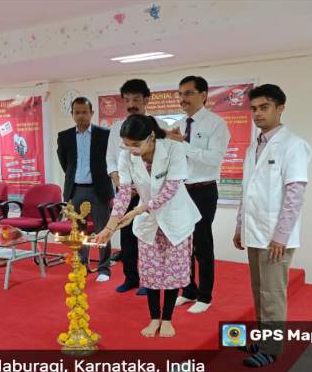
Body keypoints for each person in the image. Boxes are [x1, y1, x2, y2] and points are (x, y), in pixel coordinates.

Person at [95, 115, 201, 338]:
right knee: (151, 272)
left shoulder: (173, 148)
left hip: (175, 218)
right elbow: (124, 192)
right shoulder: (126, 156)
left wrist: (137, 211)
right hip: (148, 222)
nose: (131, 150)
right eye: (126, 144)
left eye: (135, 144)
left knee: (172, 273)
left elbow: (170, 190)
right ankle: (154, 319)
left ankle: (167, 319)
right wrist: (110, 227)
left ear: (151, 137)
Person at [233, 84, 312, 367]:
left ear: (280, 109)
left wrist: (281, 236)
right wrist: (240, 225)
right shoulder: (253, 147)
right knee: (259, 289)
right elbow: (247, 191)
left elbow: (295, 195)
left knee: (273, 293)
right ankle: (264, 339)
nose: (257, 113)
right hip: (254, 231)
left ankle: (271, 350)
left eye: (264, 107)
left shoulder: (294, 145)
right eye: (254, 108)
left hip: (276, 237)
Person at [166, 76, 231, 313]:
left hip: (203, 189)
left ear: (203, 95)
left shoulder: (216, 124)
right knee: (183, 243)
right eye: (180, 93)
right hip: (180, 190)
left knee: (202, 244)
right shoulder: (178, 124)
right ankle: (189, 290)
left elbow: (214, 158)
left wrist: (182, 145)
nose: (183, 98)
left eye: (188, 93)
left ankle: (204, 296)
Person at [106, 79, 169, 295]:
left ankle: (151, 280)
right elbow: (111, 159)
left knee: (152, 235)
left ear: (146, 100)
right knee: (127, 236)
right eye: (127, 100)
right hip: (126, 189)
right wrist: (120, 182)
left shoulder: (160, 126)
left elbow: (166, 161)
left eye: (136, 99)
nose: (131, 104)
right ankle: (131, 278)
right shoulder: (117, 128)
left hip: (153, 192)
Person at [56, 97, 113, 281]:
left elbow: (111, 160)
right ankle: (82, 266)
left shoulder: (105, 134)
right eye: (77, 112)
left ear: (92, 113)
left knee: (102, 229)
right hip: (76, 189)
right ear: (72, 114)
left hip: (99, 190)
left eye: (84, 112)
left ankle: (104, 269)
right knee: (78, 231)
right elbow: (65, 163)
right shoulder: (64, 136)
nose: (81, 116)